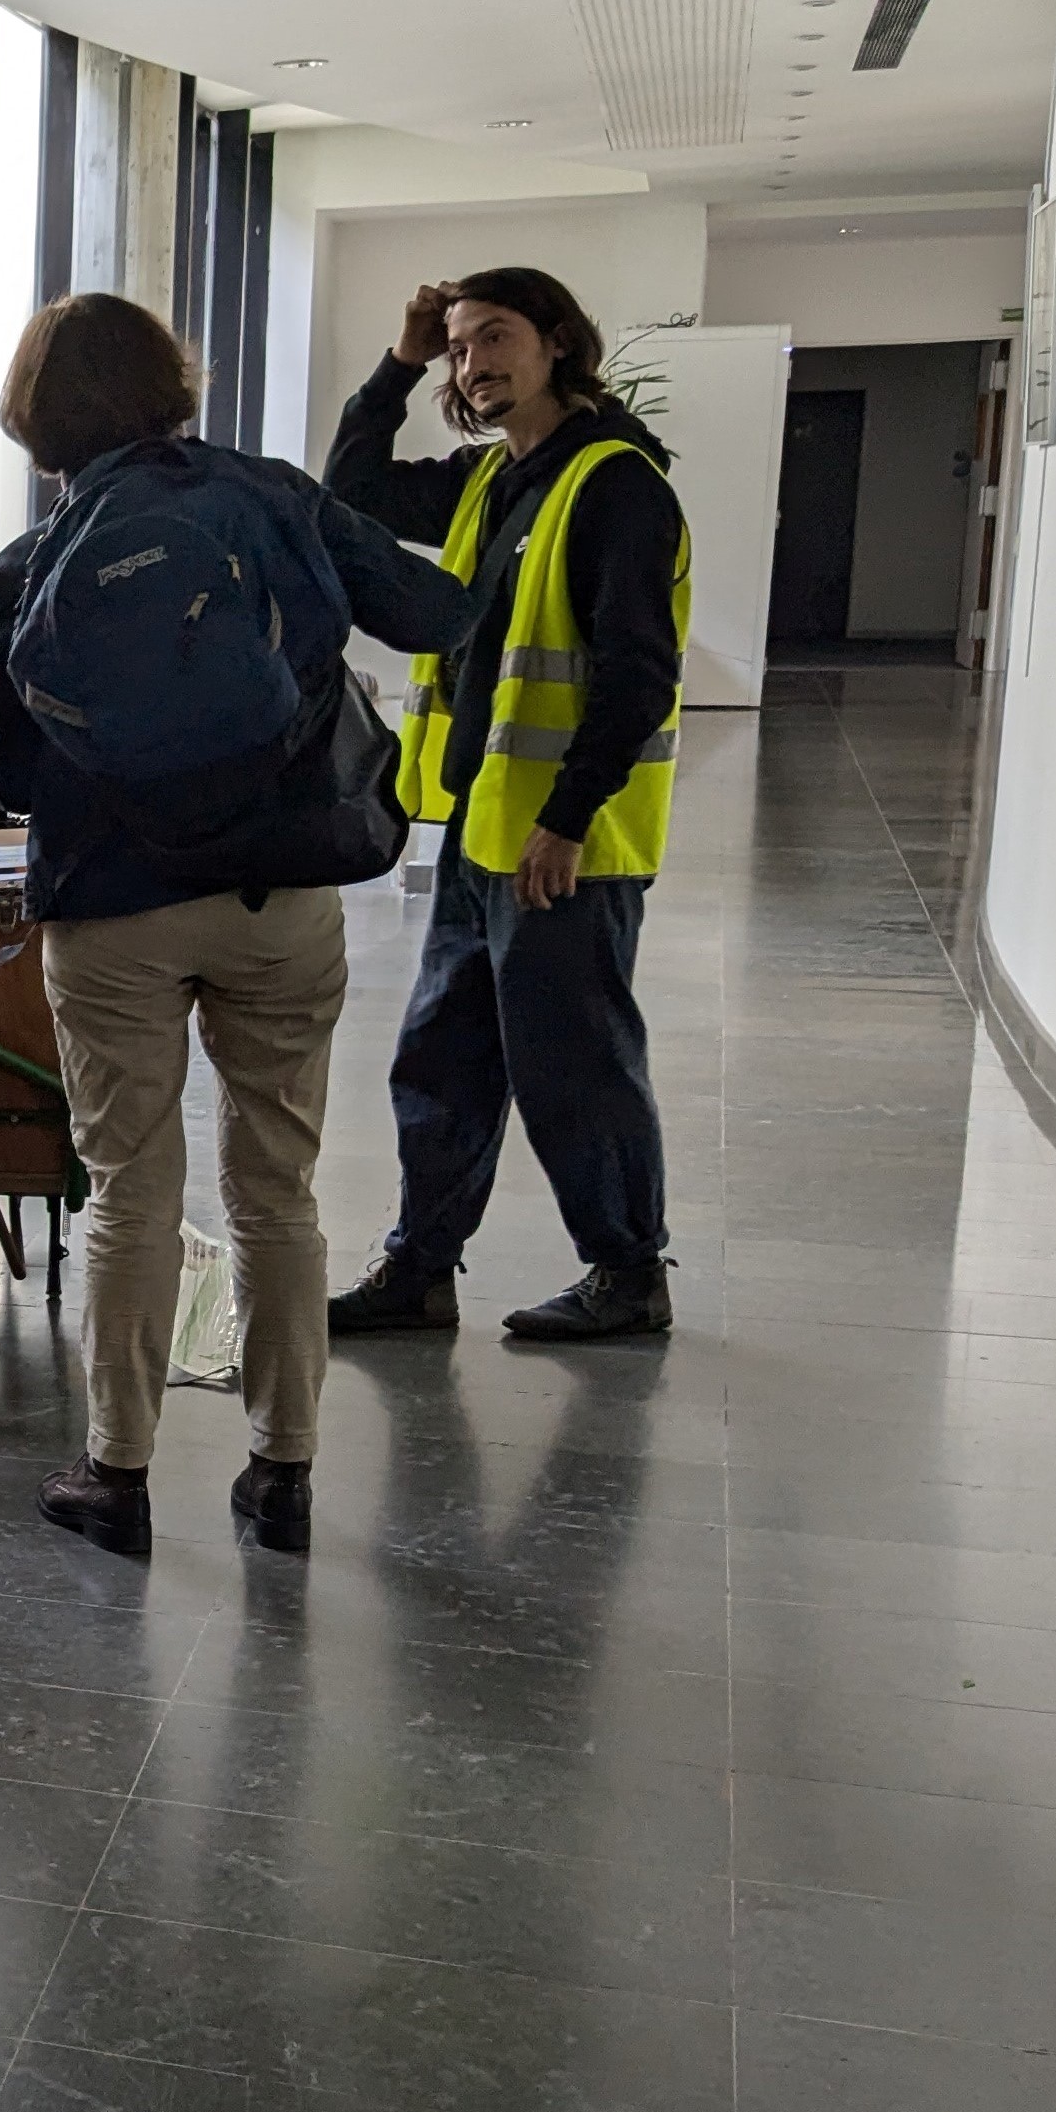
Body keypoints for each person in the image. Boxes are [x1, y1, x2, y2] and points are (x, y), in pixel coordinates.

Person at [0, 294, 474, 1558]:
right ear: (174, 381)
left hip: (108, 911)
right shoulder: (273, 495)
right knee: (278, 1189)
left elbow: (17, 776)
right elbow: (435, 616)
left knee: (129, 1192)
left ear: (36, 421)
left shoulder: (29, 568)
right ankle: (284, 1470)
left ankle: (118, 1472)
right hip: (282, 895)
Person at [324, 268, 691, 1343]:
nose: (475, 364)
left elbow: (637, 675)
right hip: (484, 831)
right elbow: (353, 489)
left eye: (496, 339)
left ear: (559, 342)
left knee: (576, 1067)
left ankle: (628, 1273)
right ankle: (420, 1267)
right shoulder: (496, 481)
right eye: (459, 348)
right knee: (443, 1058)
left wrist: (567, 818)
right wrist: (398, 360)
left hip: (562, 848)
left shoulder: (615, 485)